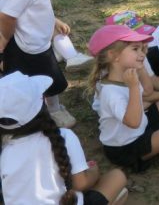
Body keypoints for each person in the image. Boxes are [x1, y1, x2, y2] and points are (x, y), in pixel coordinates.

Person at [0, 71, 129, 205]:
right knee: (118, 177)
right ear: (43, 101)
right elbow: (80, 184)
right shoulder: (64, 136)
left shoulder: (5, 152)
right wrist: (94, 171)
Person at [0, 0, 76, 128]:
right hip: (30, 47)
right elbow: (7, 15)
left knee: (41, 76)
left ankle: (48, 108)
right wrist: (5, 36)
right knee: (44, 78)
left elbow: (29, 7)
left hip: (36, 41)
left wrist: (53, 20)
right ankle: (50, 110)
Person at [88, 24, 159, 171]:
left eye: (142, 49)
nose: (142, 54)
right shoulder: (110, 92)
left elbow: (148, 91)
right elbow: (133, 122)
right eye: (135, 49)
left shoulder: (127, 75)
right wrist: (134, 87)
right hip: (124, 147)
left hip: (139, 129)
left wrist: (140, 67)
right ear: (113, 55)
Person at [104, 10, 159, 113]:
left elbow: (152, 79)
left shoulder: (137, 54)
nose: (143, 40)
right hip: (126, 105)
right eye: (138, 37)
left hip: (137, 92)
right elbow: (145, 92)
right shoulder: (117, 67)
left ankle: (156, 105)